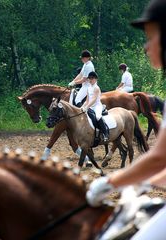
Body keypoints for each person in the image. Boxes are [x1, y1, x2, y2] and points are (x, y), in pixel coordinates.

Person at [86, 0, 166, 239]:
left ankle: (102, 132)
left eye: (151, 37)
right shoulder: (88, 80)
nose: (146, 46)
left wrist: (111, 182)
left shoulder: (116, 78)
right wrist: (145, 181)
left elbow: (160, 157)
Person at [81, 71, 109, 142]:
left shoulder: (96, 88)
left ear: (96, 79)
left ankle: (105, 133)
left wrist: (86, 107)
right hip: (90, 106)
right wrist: (82, 107)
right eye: (89, 78)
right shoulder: (88, 88)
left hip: (97, 106)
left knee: (98, 117)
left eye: (92, 78)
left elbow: (93, 100)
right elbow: (87, 100)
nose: (90, 80)